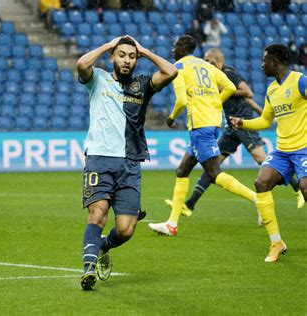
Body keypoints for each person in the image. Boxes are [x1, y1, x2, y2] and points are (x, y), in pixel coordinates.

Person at [77, 35, 178, 290]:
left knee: (125, 230)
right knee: (97, 213)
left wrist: (145, 50)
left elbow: (171, 71)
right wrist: (106, 46)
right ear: (113, 56)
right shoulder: (98, 79)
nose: (126, 60)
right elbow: (81, 64)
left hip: (131, 162)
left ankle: (101, 247)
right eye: (122, 55)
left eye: (132, 57)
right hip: (99, 159)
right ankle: (88, 269)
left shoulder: (143, 85)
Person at [164, 47, 304, 220]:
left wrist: (256, 113)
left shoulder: (229, 73)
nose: (206, 63)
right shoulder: (211, 75)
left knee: (261, 159)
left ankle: (297, 188)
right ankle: (190, 204)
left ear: (219, 60)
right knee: (213, 168)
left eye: (209, 60)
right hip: (232, 126)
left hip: (243, 122)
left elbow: (248, 93)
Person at [148, 35, 256, 237]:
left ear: (181, 47)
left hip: (200, 125)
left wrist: (171, 118)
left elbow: (180, 101)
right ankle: (171, 223)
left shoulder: (179, 67)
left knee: (214, 173)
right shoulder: (206, 65)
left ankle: (257, 199)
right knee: (182, 171)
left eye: (175, 45)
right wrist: (216, 100)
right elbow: (231, 88)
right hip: (213, 121)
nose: (172, 49)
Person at [230, 44, 306, 263]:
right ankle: (276, 242)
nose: (261, 64)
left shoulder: (300, 81)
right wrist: (243, 123)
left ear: (275, 62)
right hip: (283, 150)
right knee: (261, 182)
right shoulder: (272, 90)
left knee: (305, 188)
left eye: (264, 60)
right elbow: (265, 120)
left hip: (304, 148)